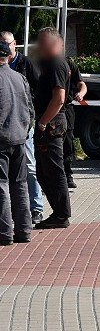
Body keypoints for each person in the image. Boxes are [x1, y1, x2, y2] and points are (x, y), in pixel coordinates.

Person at [1, 30, 43, 224]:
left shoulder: (26, 65)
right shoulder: (17, 75)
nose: (6, 46)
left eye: (8, 42)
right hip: (17, 130)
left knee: (26, 170)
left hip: (16, 130)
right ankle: (23, 225)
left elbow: (34, 97)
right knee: (17, 180)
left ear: (14, 44)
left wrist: (29, 126)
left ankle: (34, 209)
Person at [33, 28, 72, 230]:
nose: (39, 47)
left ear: (55, 44)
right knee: (43, 171)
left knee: (53, 171)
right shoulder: (53, 64)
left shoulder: (57, 64)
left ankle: (61, 214)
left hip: (52, 124)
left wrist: (42, 123)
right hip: (51, 122)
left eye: (43, 43)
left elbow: (59, 99)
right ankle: (58, 212)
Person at [0, 41, 34, 245]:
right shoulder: (19, 78)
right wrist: (24, 129)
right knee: (20, 185)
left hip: (1, 140)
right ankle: (24, 231)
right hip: (19, 138)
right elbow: (30, 110)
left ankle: (4, 233)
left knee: (1, 185)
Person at [63, 58, 86, 189]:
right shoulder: (43, 63)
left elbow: (81, 84)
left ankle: (68, 175)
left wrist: (81, 93)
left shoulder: (69, 64)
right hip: (49, 109)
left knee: (68, 143)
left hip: (67, 108)